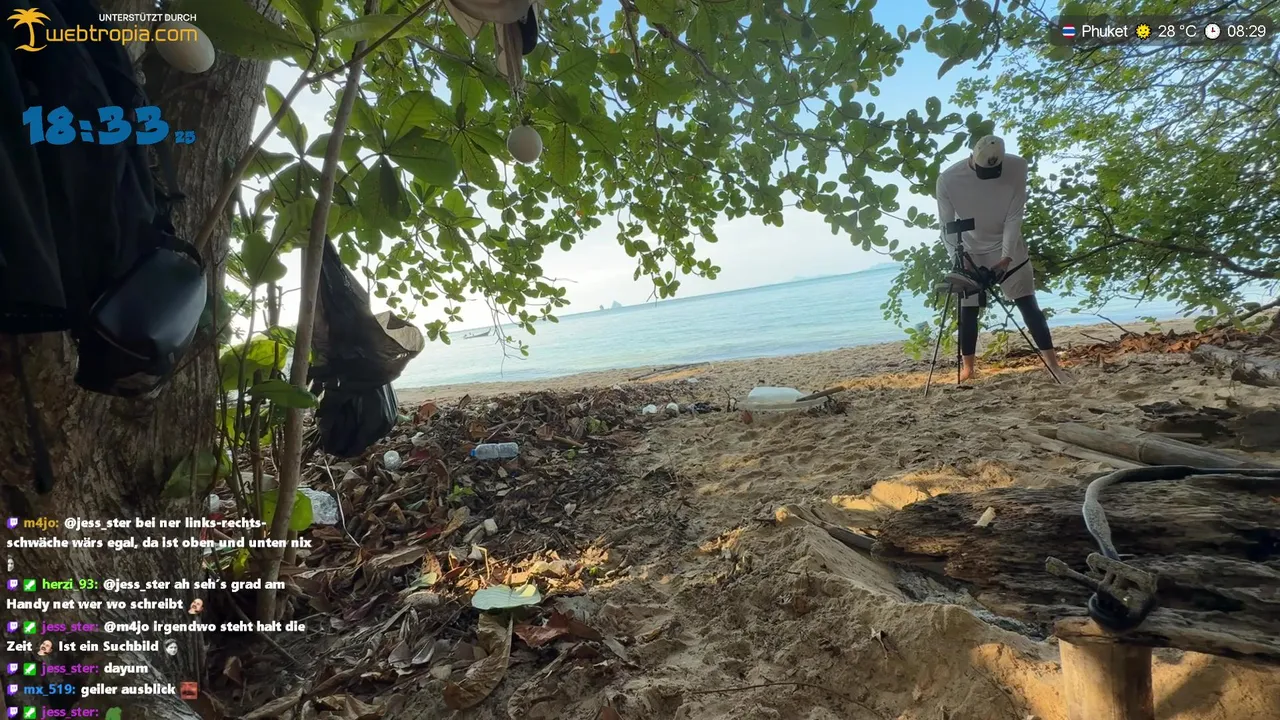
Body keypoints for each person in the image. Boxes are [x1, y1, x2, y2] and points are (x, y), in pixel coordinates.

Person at [936, 135, 1072, 383]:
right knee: (968, 311)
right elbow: (946, 226)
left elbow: (1014, 216)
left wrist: (1007, 256)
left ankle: (1053, 365)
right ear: (972, 158)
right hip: (971, 251)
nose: (990, 176)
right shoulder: (948, 179)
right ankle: (968, 369)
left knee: (1028, 305)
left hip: (1009, 248)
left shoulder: (1017, 166)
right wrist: (958, 258)